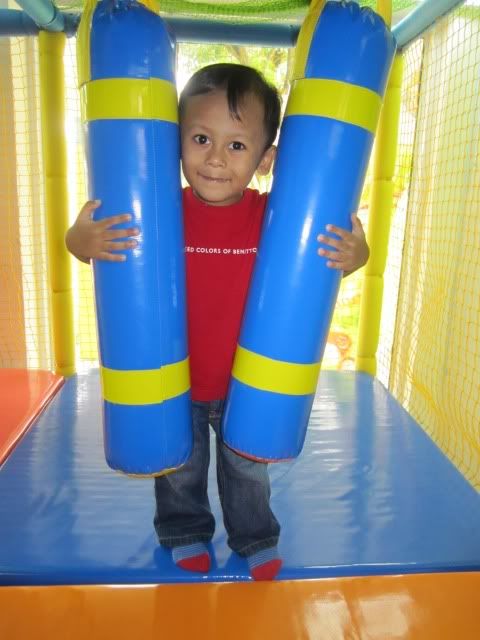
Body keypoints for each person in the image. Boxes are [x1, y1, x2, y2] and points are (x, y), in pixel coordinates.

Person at [66, 63, 370, 581]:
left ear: (265, 159)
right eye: (202, 138)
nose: (215, 158)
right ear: (176, 141)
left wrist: (356, 254)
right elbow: (86, 245)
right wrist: (80, 240)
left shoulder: (277, 217)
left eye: (237, 145)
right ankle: (184, 531)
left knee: (247, 470)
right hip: (175, 377)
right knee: (178, 469)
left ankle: (255, 537)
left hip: (246, 381)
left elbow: (331, 259)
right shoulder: (157, 210)